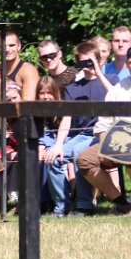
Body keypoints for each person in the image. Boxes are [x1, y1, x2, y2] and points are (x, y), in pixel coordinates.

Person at [45, 41, 106, 216]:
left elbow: (114, 95)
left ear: (99, 60)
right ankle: (62, 206)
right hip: (82, 135)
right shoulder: (72, 89)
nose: (87, 65)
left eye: (90, 61)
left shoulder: (111, 81)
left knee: (79, 152)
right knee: (53, 158)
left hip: (102, 134)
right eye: (82, 61)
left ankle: (84, 205)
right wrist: (58, 145)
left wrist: (98, 73)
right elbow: (67, 119)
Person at [76, 54, 131, 214]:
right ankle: (123, 204)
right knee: (85, 160)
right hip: (118, 140)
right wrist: (105, 147)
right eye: (130, 62)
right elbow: (103, 123)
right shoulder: (118, 89)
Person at [2, 32, 38, 100]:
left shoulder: (28, 70)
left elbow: (28, 103)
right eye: (4, 46)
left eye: (11, 45)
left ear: (19, 46)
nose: (7, 49)